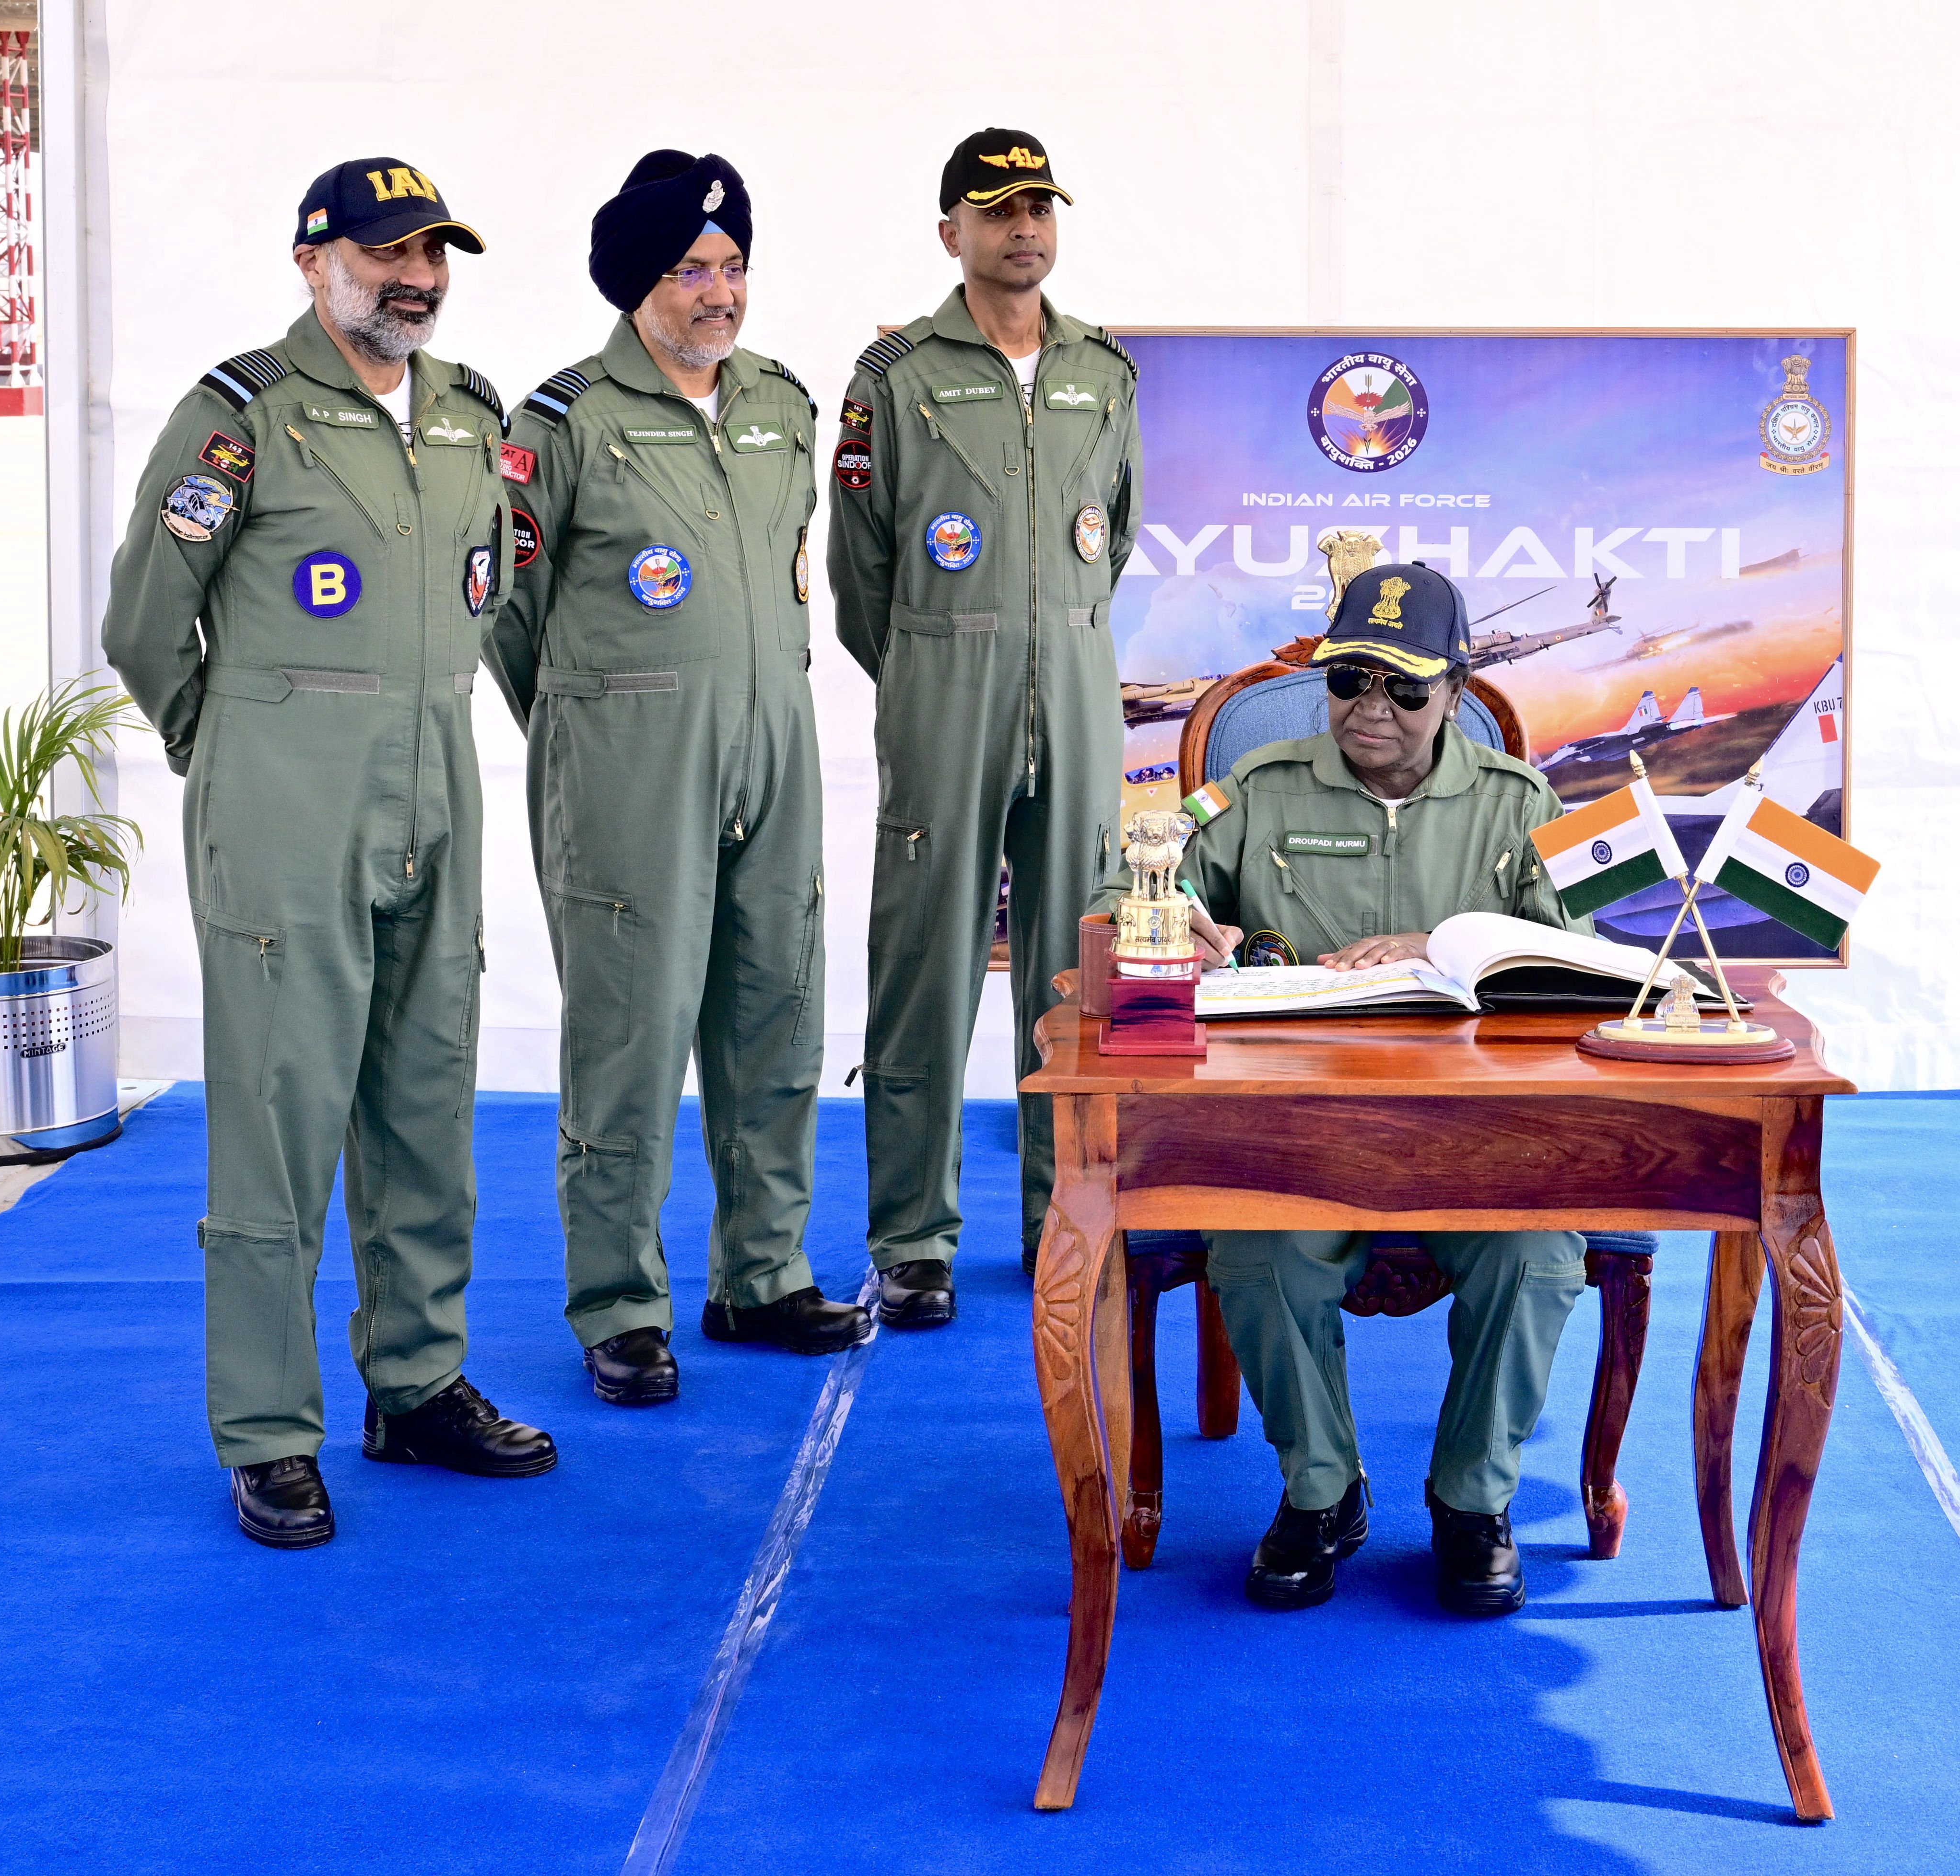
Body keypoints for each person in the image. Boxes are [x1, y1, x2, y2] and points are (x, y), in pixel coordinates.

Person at [101, 159, 554, 1551]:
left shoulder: (470, 416)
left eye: (432, 254)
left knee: (426, 1110)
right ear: (314, 263)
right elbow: (143, 622)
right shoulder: (242, 417)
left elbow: (488, 598)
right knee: (281, 1125)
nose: (415, 279)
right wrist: (239, 748)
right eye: (384, 254)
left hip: (434, 800)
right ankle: (267, 1431)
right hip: (286, 815)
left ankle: (415, 1385)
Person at [1088, 563, 1587, 1615]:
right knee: (1256, 1253)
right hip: (1292, 1134)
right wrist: (1172, 922)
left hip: (1474, 1135)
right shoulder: (1257, 787)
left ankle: (1472, 1502)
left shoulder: (1518, 803)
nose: (1372, 707)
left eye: (1405, 687)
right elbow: (1123, 889)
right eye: (1351, 678)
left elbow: (1584, 954)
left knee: (1538, 1255)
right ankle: (1322, 1493)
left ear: (1456, 690)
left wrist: (1448, 943)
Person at [483, 151, 867, 1396]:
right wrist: (595, 727)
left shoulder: (781, 406)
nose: (721, 292)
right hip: (628, 773)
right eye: (694, 269)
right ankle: (619, 1304)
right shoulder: (562, 424)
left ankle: (761, 1275)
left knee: (777, 1019)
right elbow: (506, 612)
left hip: (775, 755)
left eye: (734, 265)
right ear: (637, 281)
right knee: (630, 1041)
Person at [828, 128, 1142, 1322]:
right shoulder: (896, 378)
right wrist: (934, 664)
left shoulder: (1102, 371)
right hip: (943, 695)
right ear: (950, 230)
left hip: (1077, 693)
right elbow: (861, 572)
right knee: (924, 968)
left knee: (1079, 971)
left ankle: (1068, 1216)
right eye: (999, 209)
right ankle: (914, 1238)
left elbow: (1113, 536)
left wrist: (1051, 643)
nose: (1024, 228)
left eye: (1039, 207)